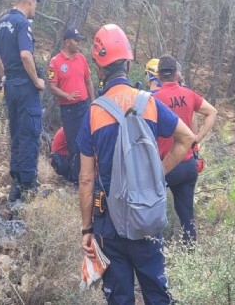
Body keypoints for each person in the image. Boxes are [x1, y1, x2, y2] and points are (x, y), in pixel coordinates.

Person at [77, 24, 195, 304]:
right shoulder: (150, 103)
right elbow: (187, 138)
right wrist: (159, 174)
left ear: (99, 68)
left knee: (119, 297)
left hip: (109, 220)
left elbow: (85, 179)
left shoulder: (94, 113)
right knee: (156, 292)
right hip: (147, 214)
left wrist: (86, 229)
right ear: (129, 63)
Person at [0, 0, 44, 202]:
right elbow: (26, 55)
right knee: (29, 134)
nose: (35, 9)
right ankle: (29, 186)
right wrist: (37, 80)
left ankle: (16, 184)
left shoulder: (2, 21)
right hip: (24, 86)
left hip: (10, 86)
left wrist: (3, 76)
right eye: (35, 4)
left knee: (17, 135)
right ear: (30, 1)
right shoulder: (22, 23)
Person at [154, 54, 217, 243]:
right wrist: (197, 138)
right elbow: (212, 112)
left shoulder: (154, 99)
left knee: (153, 213)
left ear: (158, 76)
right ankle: (190, 254)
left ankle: (158, 248)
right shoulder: (189, 95)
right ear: (176, 74)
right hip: (188, 164)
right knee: (187, 218)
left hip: (165, 166)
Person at [48, 27, 95, 184]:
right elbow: (52, 87)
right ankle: (77, 181)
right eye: (76, 40)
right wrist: (66, 95)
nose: (78, 43)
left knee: (88, 141)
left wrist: (93, 102)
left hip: (84, 106)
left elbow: (88, 81)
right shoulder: (56, 62)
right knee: (74, 144)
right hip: (69, 109)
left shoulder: (81, 58)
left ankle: (89, 176)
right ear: (67, 42)